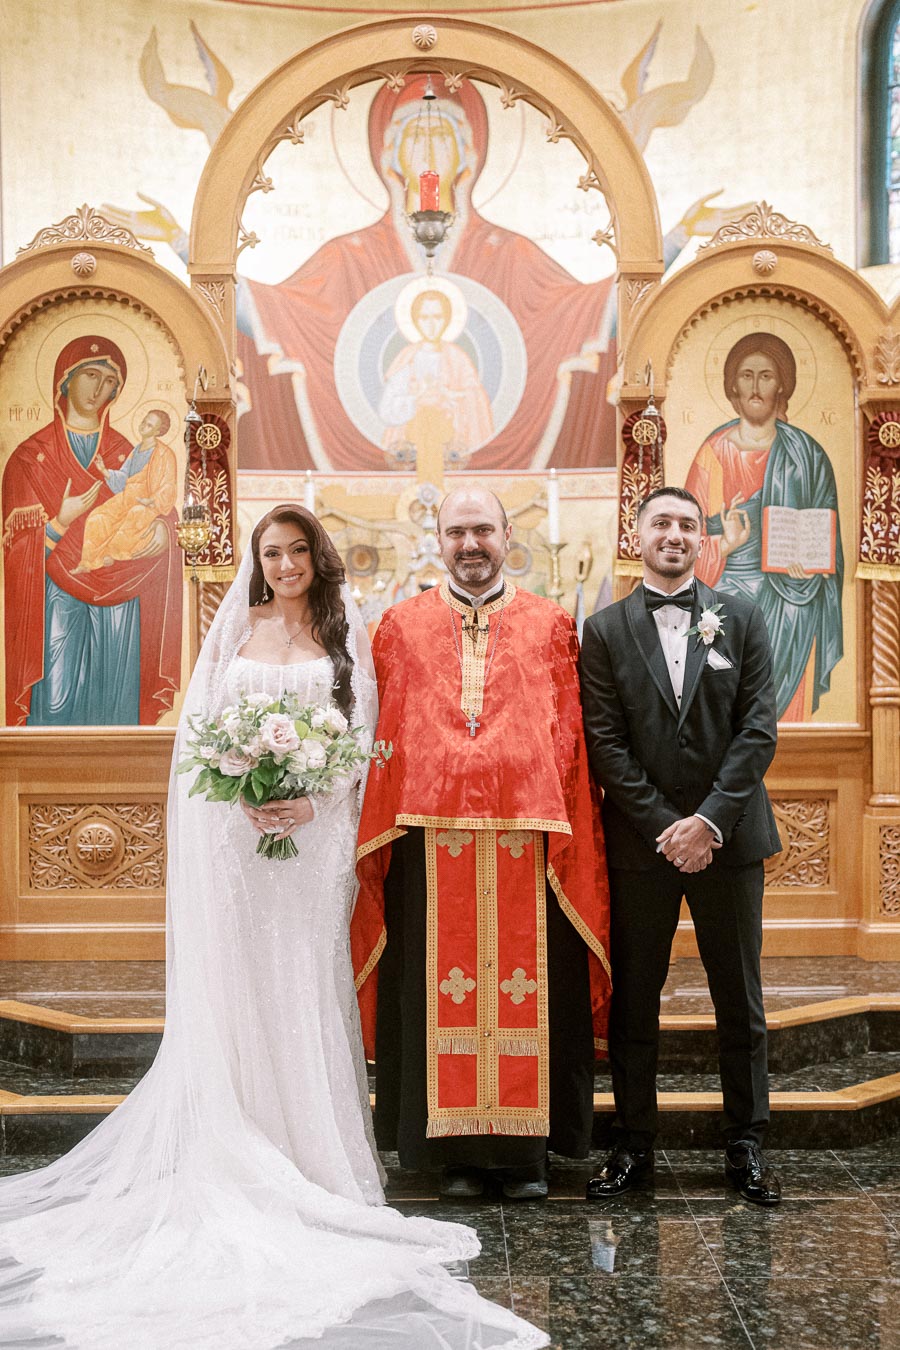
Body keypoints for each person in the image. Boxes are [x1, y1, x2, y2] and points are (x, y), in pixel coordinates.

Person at [0, 503, 546, 1350]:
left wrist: (313, 799)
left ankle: (313, 1161)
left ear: (317, 557)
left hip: (315, 835)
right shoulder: (236, 627)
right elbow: (202, 735)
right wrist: (242, 795)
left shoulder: (345, 626)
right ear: (256, 560)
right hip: (239, 842)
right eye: (271, 552)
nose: (285, 563)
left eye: (296, 550)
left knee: (301, 987)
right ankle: (236, 1145)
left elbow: (363, 735)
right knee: (240, 989)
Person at [352, 487, 611, 1201]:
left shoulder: (551, 624)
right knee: (437, 992)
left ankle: (525, 1156)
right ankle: (451, 1156)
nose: (471, 544)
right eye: (457, 531)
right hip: (428, 843)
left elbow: (569, 742)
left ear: (507, 536)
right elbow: (384, 735)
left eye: (484, 531)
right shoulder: (398, 628)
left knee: (531, 989)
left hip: (528, 845)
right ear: (438, 539)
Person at [579, 485, 783, 1206]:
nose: (674, 533)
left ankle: (746, 1146)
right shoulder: (602, 631)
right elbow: (603, 744)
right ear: (637, 535)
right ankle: (634, 1147)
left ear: (704, 540)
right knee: (636, 1002)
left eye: (687, 525)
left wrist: (710, 823)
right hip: (643, 846)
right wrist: (667, 826)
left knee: (741, 1000)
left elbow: (759, 728)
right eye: (660, 522)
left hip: (729, 841)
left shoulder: (746, 617)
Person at [2, 336, 181, 725]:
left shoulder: (126, 453)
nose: (99, 389)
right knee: (56, 701)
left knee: (114, 700)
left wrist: (165, 535)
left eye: (110, 382)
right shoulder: (28, 460)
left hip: (121, 598)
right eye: (90, 375)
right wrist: (58, 523)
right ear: (64, 380)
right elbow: (15, 562)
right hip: (54, 599)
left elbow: (160, 506)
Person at [685, 332, 843, 721]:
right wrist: (725, 545)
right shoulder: (713, 454)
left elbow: (826, 535)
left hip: (794, 596)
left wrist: (809, 570)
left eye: (766, 376)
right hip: (729, 592)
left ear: (783, 385)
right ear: (732, 385)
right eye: (747, 375)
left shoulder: (808, 455)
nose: (756, 387)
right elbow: (687, 543)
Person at [379, 288, 493, 469]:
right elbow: (388, 409)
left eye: (437, 317)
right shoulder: (407, 358)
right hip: (412, 441)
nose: (431, 325)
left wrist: (450, 397)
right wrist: (415, 399)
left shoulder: (458, 358)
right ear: (415, 321)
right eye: (424, 318)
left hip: (451, 443)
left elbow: (475, 398)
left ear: (447, 320)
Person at [75, 409, 178, 572]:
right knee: (97, 517)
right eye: (144, 421)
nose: (144, 426)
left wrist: (150, 500)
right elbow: (124, 477)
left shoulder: (165, 454)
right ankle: (88, 563)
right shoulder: (137, 450)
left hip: (148, 504)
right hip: (127, 498)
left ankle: (111, 554)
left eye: (149, 425)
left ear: (157, 432)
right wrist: (104, 470)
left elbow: (168, 486)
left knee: (134, 515)